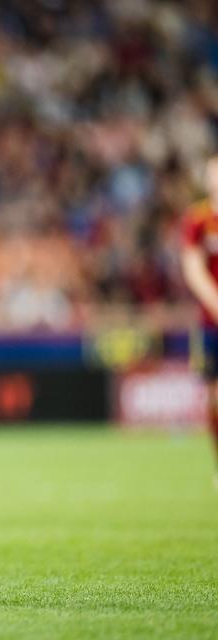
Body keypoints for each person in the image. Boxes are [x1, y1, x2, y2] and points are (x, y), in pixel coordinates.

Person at [181, 156, 218, 480]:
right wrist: (215, 303)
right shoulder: (198, 219)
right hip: (211, 324)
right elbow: (193, 268)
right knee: (214, 397)